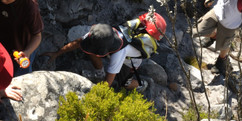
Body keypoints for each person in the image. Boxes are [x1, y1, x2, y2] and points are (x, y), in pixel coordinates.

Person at [42, 14, 170, 92]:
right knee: (90, 50)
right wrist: (56, 53)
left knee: (124, 84)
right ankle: (99, 74)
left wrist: (93, 97)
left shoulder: (118, 54)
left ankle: (143, 84)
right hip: (119, 48)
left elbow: (107, 84)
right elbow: (78, 43)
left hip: (129, 61)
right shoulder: (100, 33)